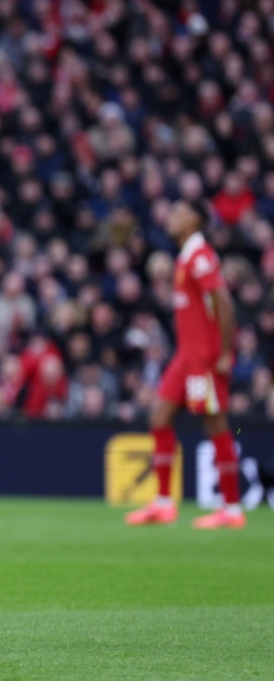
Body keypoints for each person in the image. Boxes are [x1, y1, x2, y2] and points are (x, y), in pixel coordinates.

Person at [126, 199, 242, 529]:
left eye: (178, 212)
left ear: (195, 220)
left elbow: (225, 304)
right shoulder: (186, 257)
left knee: (216, 425)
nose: (171, 216)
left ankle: (231, 509)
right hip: (185, 357)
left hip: (203, 358)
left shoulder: (201, 257)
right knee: (159, 418)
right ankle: (164, 503)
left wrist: (223, 352)